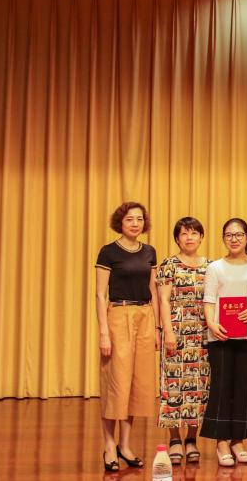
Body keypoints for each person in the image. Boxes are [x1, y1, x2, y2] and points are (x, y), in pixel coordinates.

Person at [95, 201, 159, 472]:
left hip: (145, 316)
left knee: (136, 384)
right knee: (116, 383)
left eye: (139, 219)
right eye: (130, 219)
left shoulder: (149, 252)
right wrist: (104, 332)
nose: (135, 223)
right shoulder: (108, 252)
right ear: (120, 223)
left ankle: (125, 445)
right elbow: (100, 295)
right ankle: (109, 445)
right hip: (118, 315)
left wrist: (157, 328)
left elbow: (153, 291)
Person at [201, 218, 247, 467]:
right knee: (222, 387)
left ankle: (239, 440)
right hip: (221, 335)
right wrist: (212, 324)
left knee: (244, 389)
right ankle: (222, 442)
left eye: (239, 234)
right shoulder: (215, 267)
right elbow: (209, 300)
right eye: (229, 235)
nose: (234, 239)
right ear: (223, 238)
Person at [157, 216, 210, 465]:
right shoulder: (168, 265)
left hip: (202, 333)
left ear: (201, 237)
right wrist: (167, 331)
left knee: (198, 387)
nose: (189, 238)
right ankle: (175, 439)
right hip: (176, 331)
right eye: (184, 234)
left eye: (194, 233)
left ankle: (191, 439)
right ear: (177, 239)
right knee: (173, 385)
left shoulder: (210, 266)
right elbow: (163, 300)